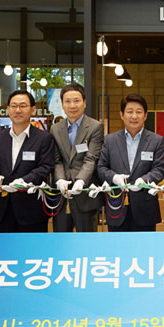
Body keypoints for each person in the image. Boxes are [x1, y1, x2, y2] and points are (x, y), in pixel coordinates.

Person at [97, 94, 164, 232]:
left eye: (139, 112)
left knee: (145, 251)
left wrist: (144, 180)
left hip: (145, 208)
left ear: (145, 115)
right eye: (129, 112)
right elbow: (101, 167)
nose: (134, 116)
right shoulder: (110, 140)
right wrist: (114, 178)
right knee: (117, 251)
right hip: (117, 205)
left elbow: (159, 169)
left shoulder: (156, 140)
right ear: (122, 115)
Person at [0, 90, 55, 233]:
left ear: (33, 109)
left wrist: (24, 181)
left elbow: (46, 166)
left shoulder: (44, 138)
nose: (18, 110)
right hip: (4, 208)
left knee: (33, 253)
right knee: (6, 254)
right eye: (14, 106)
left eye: (23, 106)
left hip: (32, 210)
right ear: (8, 109)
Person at [51, 83, 104, 232]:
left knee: (87, 243)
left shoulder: (95, 127)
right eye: (67, 101)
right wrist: (60, 179)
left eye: (76, 100)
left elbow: (91, 158)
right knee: (61, 242)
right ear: (62, 104)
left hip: (85, 194)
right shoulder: (55, 129)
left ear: (85, 103)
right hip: (61, 196)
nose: (72, 105)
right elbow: (57, 160)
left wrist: (80, 181)